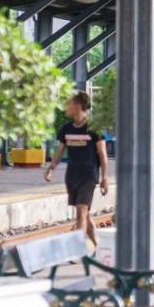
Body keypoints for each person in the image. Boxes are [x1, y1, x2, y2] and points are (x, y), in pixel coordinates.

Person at [45, 91, 109, 249]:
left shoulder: (94, 129)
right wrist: (51, 168)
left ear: (78, 106)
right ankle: (99, 246)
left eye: (69, 103)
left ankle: (76, 249)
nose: (66, 107)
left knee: (80, 213)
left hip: (89, 176)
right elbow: (60, 151)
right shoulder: (66, 129)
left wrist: (104, 178)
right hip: (72, 176)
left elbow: (102, 154)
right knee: (85, 214)